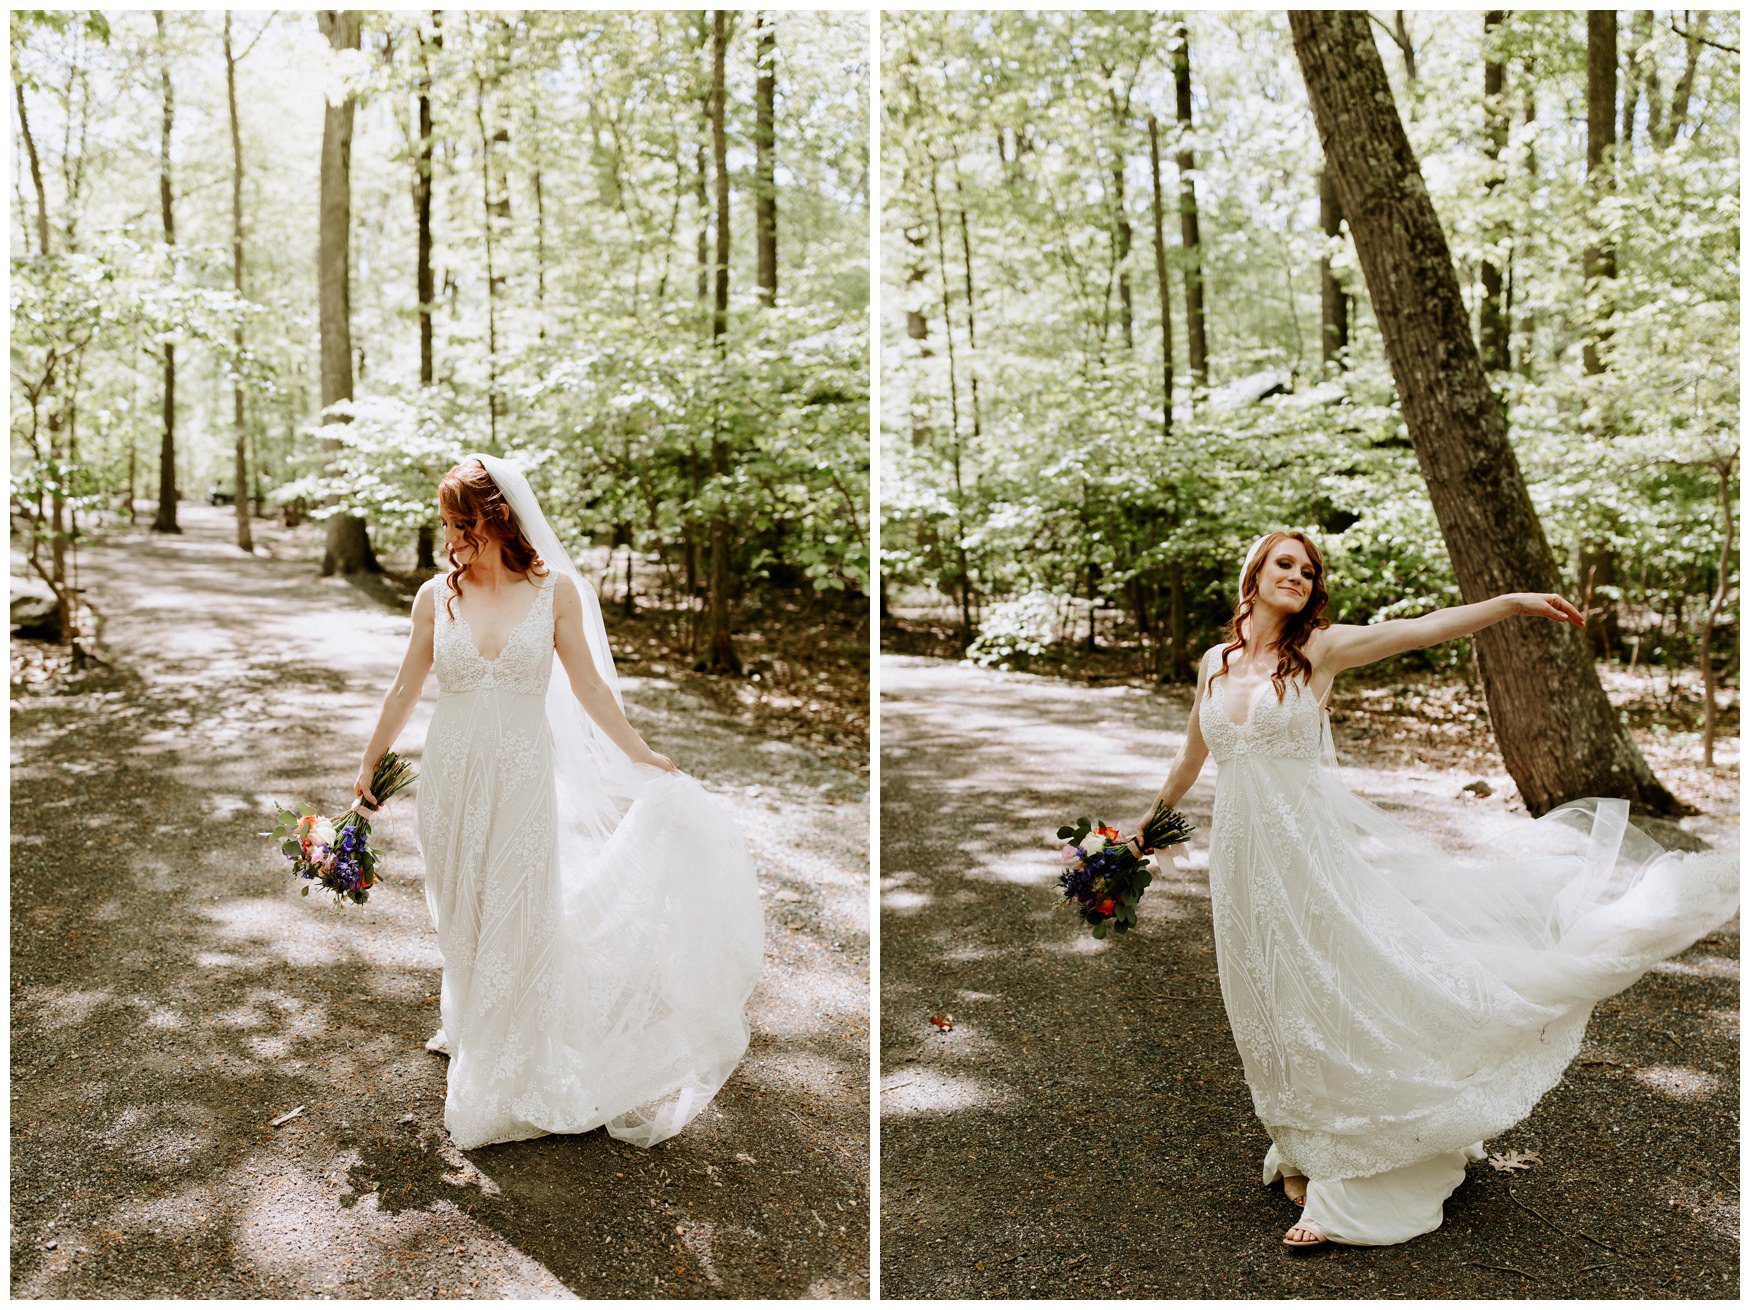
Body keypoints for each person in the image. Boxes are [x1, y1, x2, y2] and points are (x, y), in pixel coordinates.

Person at [1138, 530, 1738, 1250]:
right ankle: (1299, 1145)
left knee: (1328, 995)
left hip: (1308, 858)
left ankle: (1345, 1183)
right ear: (1254, 573)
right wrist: (1139, 833)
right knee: (1267, 999)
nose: (1298, 576)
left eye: (1308, 569)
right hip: (1240, 862)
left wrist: (1509, 603)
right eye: (1284, 564)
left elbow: (1416, 630)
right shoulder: (1216, 662)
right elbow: (1189, 757)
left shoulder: (1321, 650)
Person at [353, 454, 764, 1150]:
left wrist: (641, 753)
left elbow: (590, 689)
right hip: (450, 777)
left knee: (517, 911)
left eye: (465, 522)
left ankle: (510, 1066)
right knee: (463, 913)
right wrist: (369, 762)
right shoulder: (435, 597)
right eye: (448, 523)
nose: (453, 537)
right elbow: (403, 688)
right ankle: (472, 1022)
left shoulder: (556, 594)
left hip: (519, 778)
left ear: (499, 518)